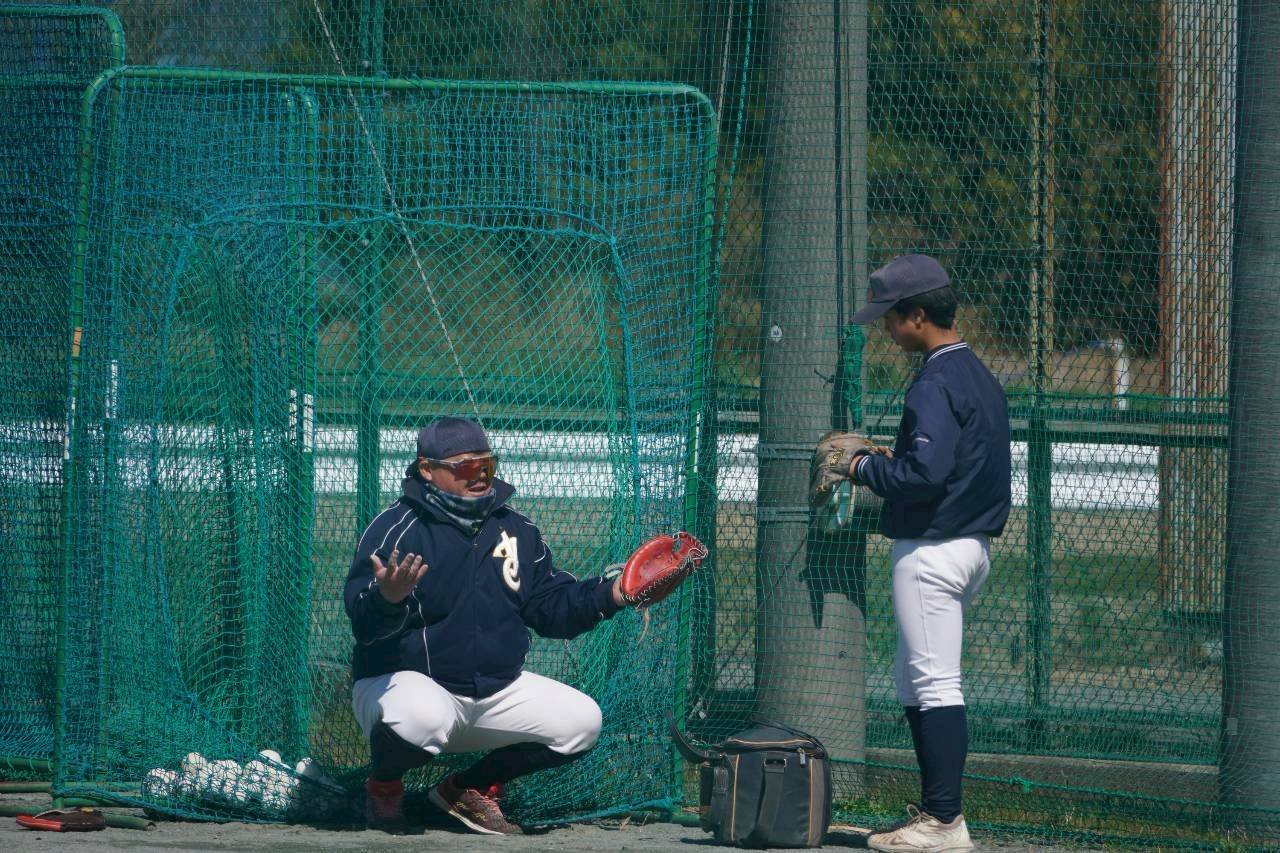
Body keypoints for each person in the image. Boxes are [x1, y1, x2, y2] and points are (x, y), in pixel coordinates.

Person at [343, 416, 628, 835]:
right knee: (421, 715)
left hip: (493, 690)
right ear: (427, 469)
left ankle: (464, 789)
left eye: (487, 465)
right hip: (404, 689)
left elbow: (550, 608)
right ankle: (384, 787)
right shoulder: (397, 528)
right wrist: (388, 598)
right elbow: (364, 628)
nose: (479, 475)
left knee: (582, 722)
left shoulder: (516, 529)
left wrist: (613, 594)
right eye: (465, 466)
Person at [847, 255, 1012, 853]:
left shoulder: (935, 381)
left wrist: (860, 467)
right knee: (915, 684)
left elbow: (923, 475)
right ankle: (936, 814)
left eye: (891, 317)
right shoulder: (979, 374)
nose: (886, 329)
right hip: (970, 545)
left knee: (935, 684)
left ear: (918, 315)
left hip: (933, 552)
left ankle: (945, 821)